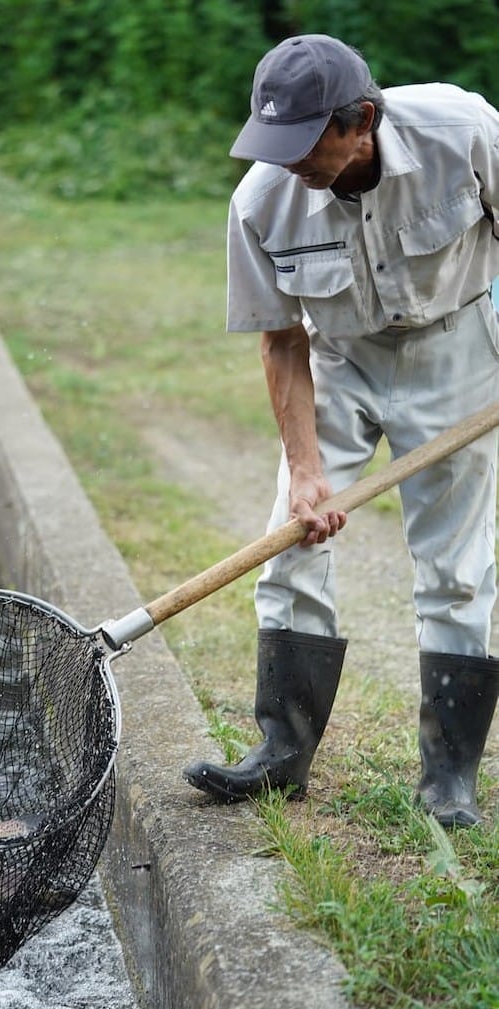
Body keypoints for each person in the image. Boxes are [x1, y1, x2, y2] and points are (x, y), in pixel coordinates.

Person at [182, 34, 499, 827]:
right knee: (290, 537)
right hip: (335, 354)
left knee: (456, 567)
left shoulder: (462, 132)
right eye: (270, 142)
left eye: (302, 144)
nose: (284, 162)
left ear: (359, 120)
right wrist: (305, 470)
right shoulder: (259, 202)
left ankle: (448, 777)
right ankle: (279, 752)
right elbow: (280, 339)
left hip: (454, 349)